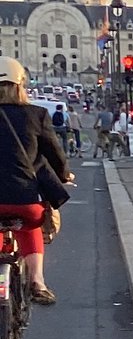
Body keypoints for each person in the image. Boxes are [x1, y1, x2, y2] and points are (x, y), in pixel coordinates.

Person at [0, 57, 73, 304]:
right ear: (21, 84)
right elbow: (55, 154)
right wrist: (64, 175)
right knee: (31, 225)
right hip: (25, 201)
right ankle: (37, 281)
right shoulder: (36, 114)